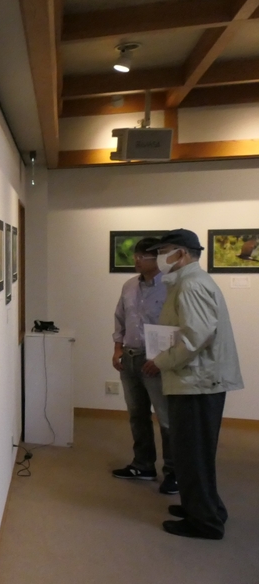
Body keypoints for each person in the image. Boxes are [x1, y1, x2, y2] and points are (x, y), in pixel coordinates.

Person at [142, 229, 244, 540]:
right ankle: (205, 508)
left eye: (165, 250)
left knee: (193, 455)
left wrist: (158, 362)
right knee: (193, 454)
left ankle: (205, 523)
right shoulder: (187, 283)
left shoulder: (191, 286)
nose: (160, 257)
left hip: (197, 383)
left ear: (183, 254)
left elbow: (194, 338)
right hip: (195, 380)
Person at [111, 237, 174, 494]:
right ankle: (143, 465)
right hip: (130, 357)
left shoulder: (171, 287)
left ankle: (174, 472)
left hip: (156, 362)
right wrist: (117, 349)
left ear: (155, 259)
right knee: (137, 414)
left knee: (166, 418)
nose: (135, 260)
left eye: (140, 257)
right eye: (135, 255)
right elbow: (120, 318)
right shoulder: (128, 286)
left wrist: (162, 361)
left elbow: (178, 328)